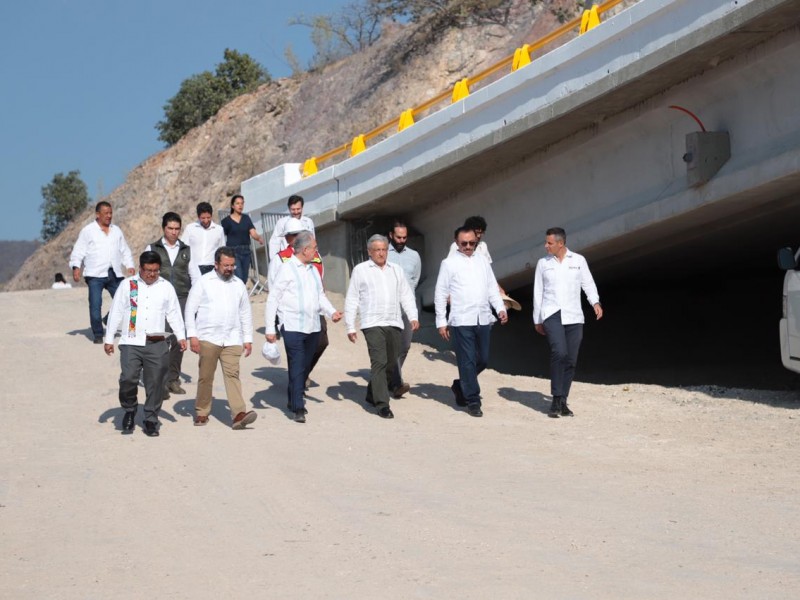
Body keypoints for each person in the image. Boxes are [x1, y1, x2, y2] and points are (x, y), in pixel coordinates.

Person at [104, 251, 186, 437]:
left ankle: (150, 418)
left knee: (156, 382)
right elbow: (116, 312)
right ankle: (129, 410)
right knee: (128, 378)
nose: (152, 274)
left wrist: (181, 336)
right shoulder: (128, 285)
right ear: (140, 268)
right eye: (148, 270)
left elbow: (173, 313)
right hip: (131, 341)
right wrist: (109, 339)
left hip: (156, 342)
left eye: (156, 271)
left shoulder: (166, 287)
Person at [265, 231, 342, 423]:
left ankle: (293, 397)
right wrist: (270, 329)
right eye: (314, 248)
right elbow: (273, 299)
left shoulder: (313, 271)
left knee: (303, 365)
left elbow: (320, 296)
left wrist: (331, 312)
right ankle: (298, 407)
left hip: (313, 326)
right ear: (305, 250)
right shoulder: (287, 268)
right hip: (292, 326)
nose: (317, 251)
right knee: (298, 364)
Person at [435, 226, 508, 417]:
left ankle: (461, 385)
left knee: (482, 359)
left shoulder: (483, 261)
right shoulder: (448, 264)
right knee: (466, 361)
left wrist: (500, 308)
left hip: (483, 317)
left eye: (472, 243)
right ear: (456, 243)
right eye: (464, 243)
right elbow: (441, 293)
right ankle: (473, 400)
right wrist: (441, 321)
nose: (468, 246)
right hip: (461, 319)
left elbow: (492, 287)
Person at [345, 234, 419, 419]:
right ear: (369, 252)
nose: (381, 253)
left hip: (394, 321)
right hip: (372, 322)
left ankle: (372, 392)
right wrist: (350, 325)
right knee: (378, 361)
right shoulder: (361, 270)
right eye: (377, 250)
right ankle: (382, 404)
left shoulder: (396, 270)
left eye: (384, 250)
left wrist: (413, 316)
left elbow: (406, 295)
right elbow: (352, 298)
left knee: (392, 361)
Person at [533, 227, 603, 418]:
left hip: (574, 315)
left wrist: (594, 302)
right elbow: (538, 291)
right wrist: (537, 318)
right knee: (559, 352)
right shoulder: (543, 263)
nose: (545, 246)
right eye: (546, 242)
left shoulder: (578, 260)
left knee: (571, 358)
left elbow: (587, 283)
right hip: (551, 313)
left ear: (561, 243)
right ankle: (555, 399)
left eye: (549, 243)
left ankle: (563, 400)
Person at [185, 247, 257, 430]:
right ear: (216, 264)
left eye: (232, 265)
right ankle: (202, 411)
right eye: (226, 265)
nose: (230, 269)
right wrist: (192, 336)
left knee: (233, 375)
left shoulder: (238, 284)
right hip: (208, 337)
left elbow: (245, 312)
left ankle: (239, 414)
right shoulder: (203, 282)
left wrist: (247, 338)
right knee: (206, 376)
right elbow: (190, 309)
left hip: (232, 338)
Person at [268, 218, 328, 387]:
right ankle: (296, 384)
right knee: (295, 348)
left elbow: (321, 280)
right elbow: (274, 290)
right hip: (291, 311)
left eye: (300, 234)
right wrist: (276, 317)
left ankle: (302, 373)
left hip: (315, 308)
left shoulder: (315, 256)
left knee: (321, 342)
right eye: (293, 235)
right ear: (287, 238)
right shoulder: (280, 259)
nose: (297, 237)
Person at [145, 212, 198, 397]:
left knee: (178, 340)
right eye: (170, 228)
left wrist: (198, 299)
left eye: (177, 229)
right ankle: (158, 381)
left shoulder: (187, 250)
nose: (174, 232)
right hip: (159, 299)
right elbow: (145, 273)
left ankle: (172, 379)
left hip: (182, 298)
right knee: (160, 340)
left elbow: (195, 276)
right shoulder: (152, 248)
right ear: (163, 228)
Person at [69, 201, 135, 343]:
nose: (109, 216)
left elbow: (124, 249)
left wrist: (129, 265)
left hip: (114, 273)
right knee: (95, 304)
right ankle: (98, 334)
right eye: (106, 213)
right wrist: (76, 267)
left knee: (127, 298)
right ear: (97, 215)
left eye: (111, 213)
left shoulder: (116, 231)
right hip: (95, 274)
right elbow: (78, 250)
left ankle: (107, 318)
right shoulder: (88, 231)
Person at [386, 221, 421, 397]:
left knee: (405, 345)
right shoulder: (382, 253)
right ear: (391, 235)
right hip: (388, 306)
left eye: (404, 237)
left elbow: (415, 279)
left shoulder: (414, 256)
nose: (401, 240)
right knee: (392, 345)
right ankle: (396, 383)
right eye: (398, 237)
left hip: (407, 306)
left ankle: (390, 377)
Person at [221, 194, 264, 284]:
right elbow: (220, 236)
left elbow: (253, 233)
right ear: (232, 206)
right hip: (233, 252)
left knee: (244, 278)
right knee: (238, 277)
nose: (240, 206)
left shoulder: (246, 218)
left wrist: (259, 238)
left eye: (242, 203)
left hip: (246, 251)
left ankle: (240, 295)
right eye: (237, 203)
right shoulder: (226, 221)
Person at [184, 201, 225, 276]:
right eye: (203, 218)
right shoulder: (190, 228)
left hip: (212, 268)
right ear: (198, 216)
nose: (206, 221)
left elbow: (221, 250)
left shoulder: (219, 230)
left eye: (208, 217)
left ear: (211, 215)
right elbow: (183, 248)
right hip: (193, 268)